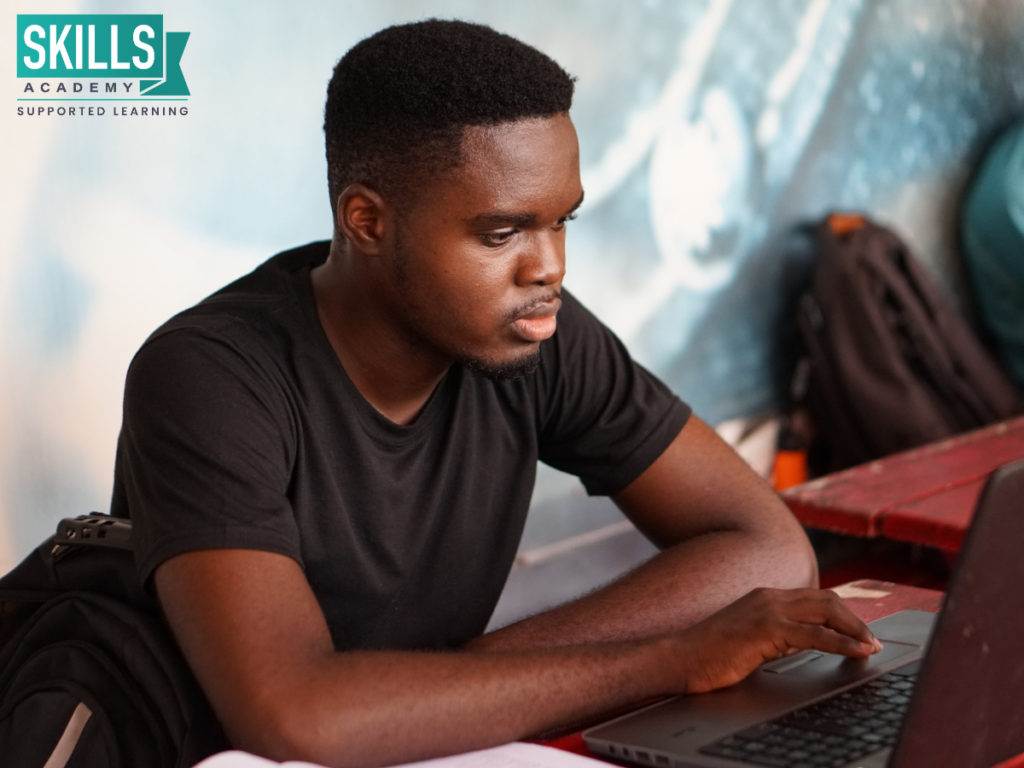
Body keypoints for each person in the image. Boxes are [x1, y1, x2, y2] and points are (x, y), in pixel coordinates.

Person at [111, 19, 880, 768]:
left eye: (562, 221)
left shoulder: (533, 329)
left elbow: (771, 553)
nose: (549, 267)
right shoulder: (210, 377)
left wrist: (459, 678)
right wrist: (671, 660)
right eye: (501, 233)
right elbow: (298, 715)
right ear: (368, 221)